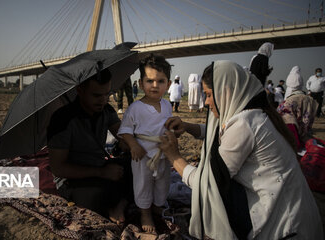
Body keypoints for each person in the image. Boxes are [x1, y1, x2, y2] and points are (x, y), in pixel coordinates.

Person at [159, 60, 323, 239]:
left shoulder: (245, 124)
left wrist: (174, 157)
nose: (206, 102)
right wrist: (188, 127)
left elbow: (208, 183)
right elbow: (220, 133)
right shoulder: (254, 114)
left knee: (215, 194)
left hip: (284, 224)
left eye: (208, 94)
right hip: (297, 212)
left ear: (225, 92)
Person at [47, 68, 132, 224]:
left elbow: (122, 135)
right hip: (72, 179)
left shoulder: (106, 110)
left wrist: (131, 144)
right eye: (96, 95)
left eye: (107, 94)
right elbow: (58, 168)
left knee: (136, 166)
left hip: (100, 166)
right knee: (96, 197)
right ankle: (119, 202)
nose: (103, 100)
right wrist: (102, 172)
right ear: (80, 90)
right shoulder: (62, 120)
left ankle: (120, 202)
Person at [118, 54, 172, 233]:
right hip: (142, 156)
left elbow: (167, 126)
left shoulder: (167, 105)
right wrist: (133, 145)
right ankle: (145, 213)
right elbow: (125, 130)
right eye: (149, 81)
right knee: (142, 185)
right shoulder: (136, 108)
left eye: (160, 81)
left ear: (168, 84)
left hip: (163, 155)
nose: (155, 85)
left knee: (162, 183)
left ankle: (157, 208)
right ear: (141, 84)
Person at [278, 66, 318, 152]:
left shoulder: (287, 103)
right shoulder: (310, 100)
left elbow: (290, 125)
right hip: (306, 137)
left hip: (293, 142)